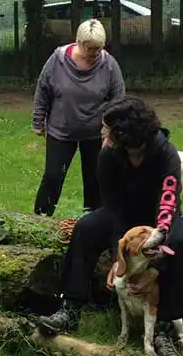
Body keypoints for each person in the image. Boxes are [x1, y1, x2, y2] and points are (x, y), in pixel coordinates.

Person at [37, 95, 183, 356]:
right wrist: (118, 257)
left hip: (160, 217)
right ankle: (70, 307)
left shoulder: (166, 154)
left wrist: (156, 264)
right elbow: (112, 209)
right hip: (122, 215)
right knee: (85, 228)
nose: (103, 133)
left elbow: (169, 203)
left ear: (128, 132)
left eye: (109, 129)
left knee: (180, 243)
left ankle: (165, 327)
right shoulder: (108, 156)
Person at [31, 19, 125, 217]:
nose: (95, 54)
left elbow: (118, 97)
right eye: (91, 49)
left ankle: (93, 221)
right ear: (79, 43)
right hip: (61, 131)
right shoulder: (58, 60)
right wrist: (38, 121)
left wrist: (112, 128)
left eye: (99, 49)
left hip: (95, 134)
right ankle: (40, 218)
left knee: (95, 180)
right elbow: (43, 89)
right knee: (53, 176)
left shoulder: (108, 65)